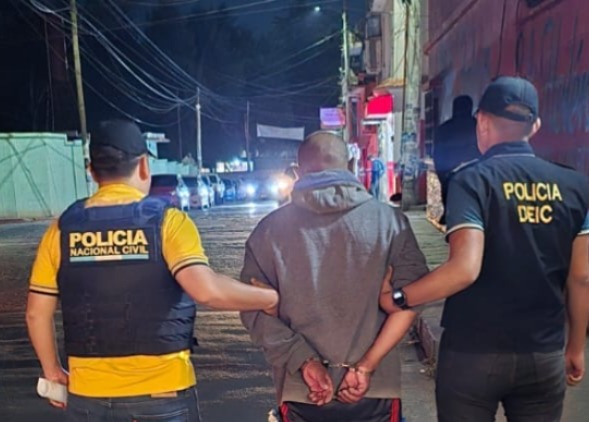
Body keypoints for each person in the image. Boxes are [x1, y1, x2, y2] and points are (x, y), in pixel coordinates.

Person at [26, 119, 279, 421]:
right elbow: (207, 291)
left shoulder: (62, 229)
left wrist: (53, 371)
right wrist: (269, 299)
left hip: (88, 397)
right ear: (145, 166)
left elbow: (36, 314)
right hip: (160, 395)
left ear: (91, 171)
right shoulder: (167, 222)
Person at [380, 76, 589, 421]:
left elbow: (464, 269)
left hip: (472, 354)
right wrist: (576, 347)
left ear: (482, 121)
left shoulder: (471, 180)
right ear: (535, 126)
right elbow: (581, 278)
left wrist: (400, 298)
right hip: (543, 352)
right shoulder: (577, 186)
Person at [241, 131, 429, 422]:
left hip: (302, 392)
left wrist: (304, 361)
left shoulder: (268, 231)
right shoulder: (391, 222)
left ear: (297, 171)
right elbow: (413, 299)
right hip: (375, 391)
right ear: (351, 165)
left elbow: (253, 312)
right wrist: (366, 366)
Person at [433, 95, 480, 224]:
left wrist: (441, 171)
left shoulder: (444, 128)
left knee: (448, 194)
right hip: (473, 169)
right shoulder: (477, 126)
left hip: (448, 170)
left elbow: (437, 152)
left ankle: (449, 216)